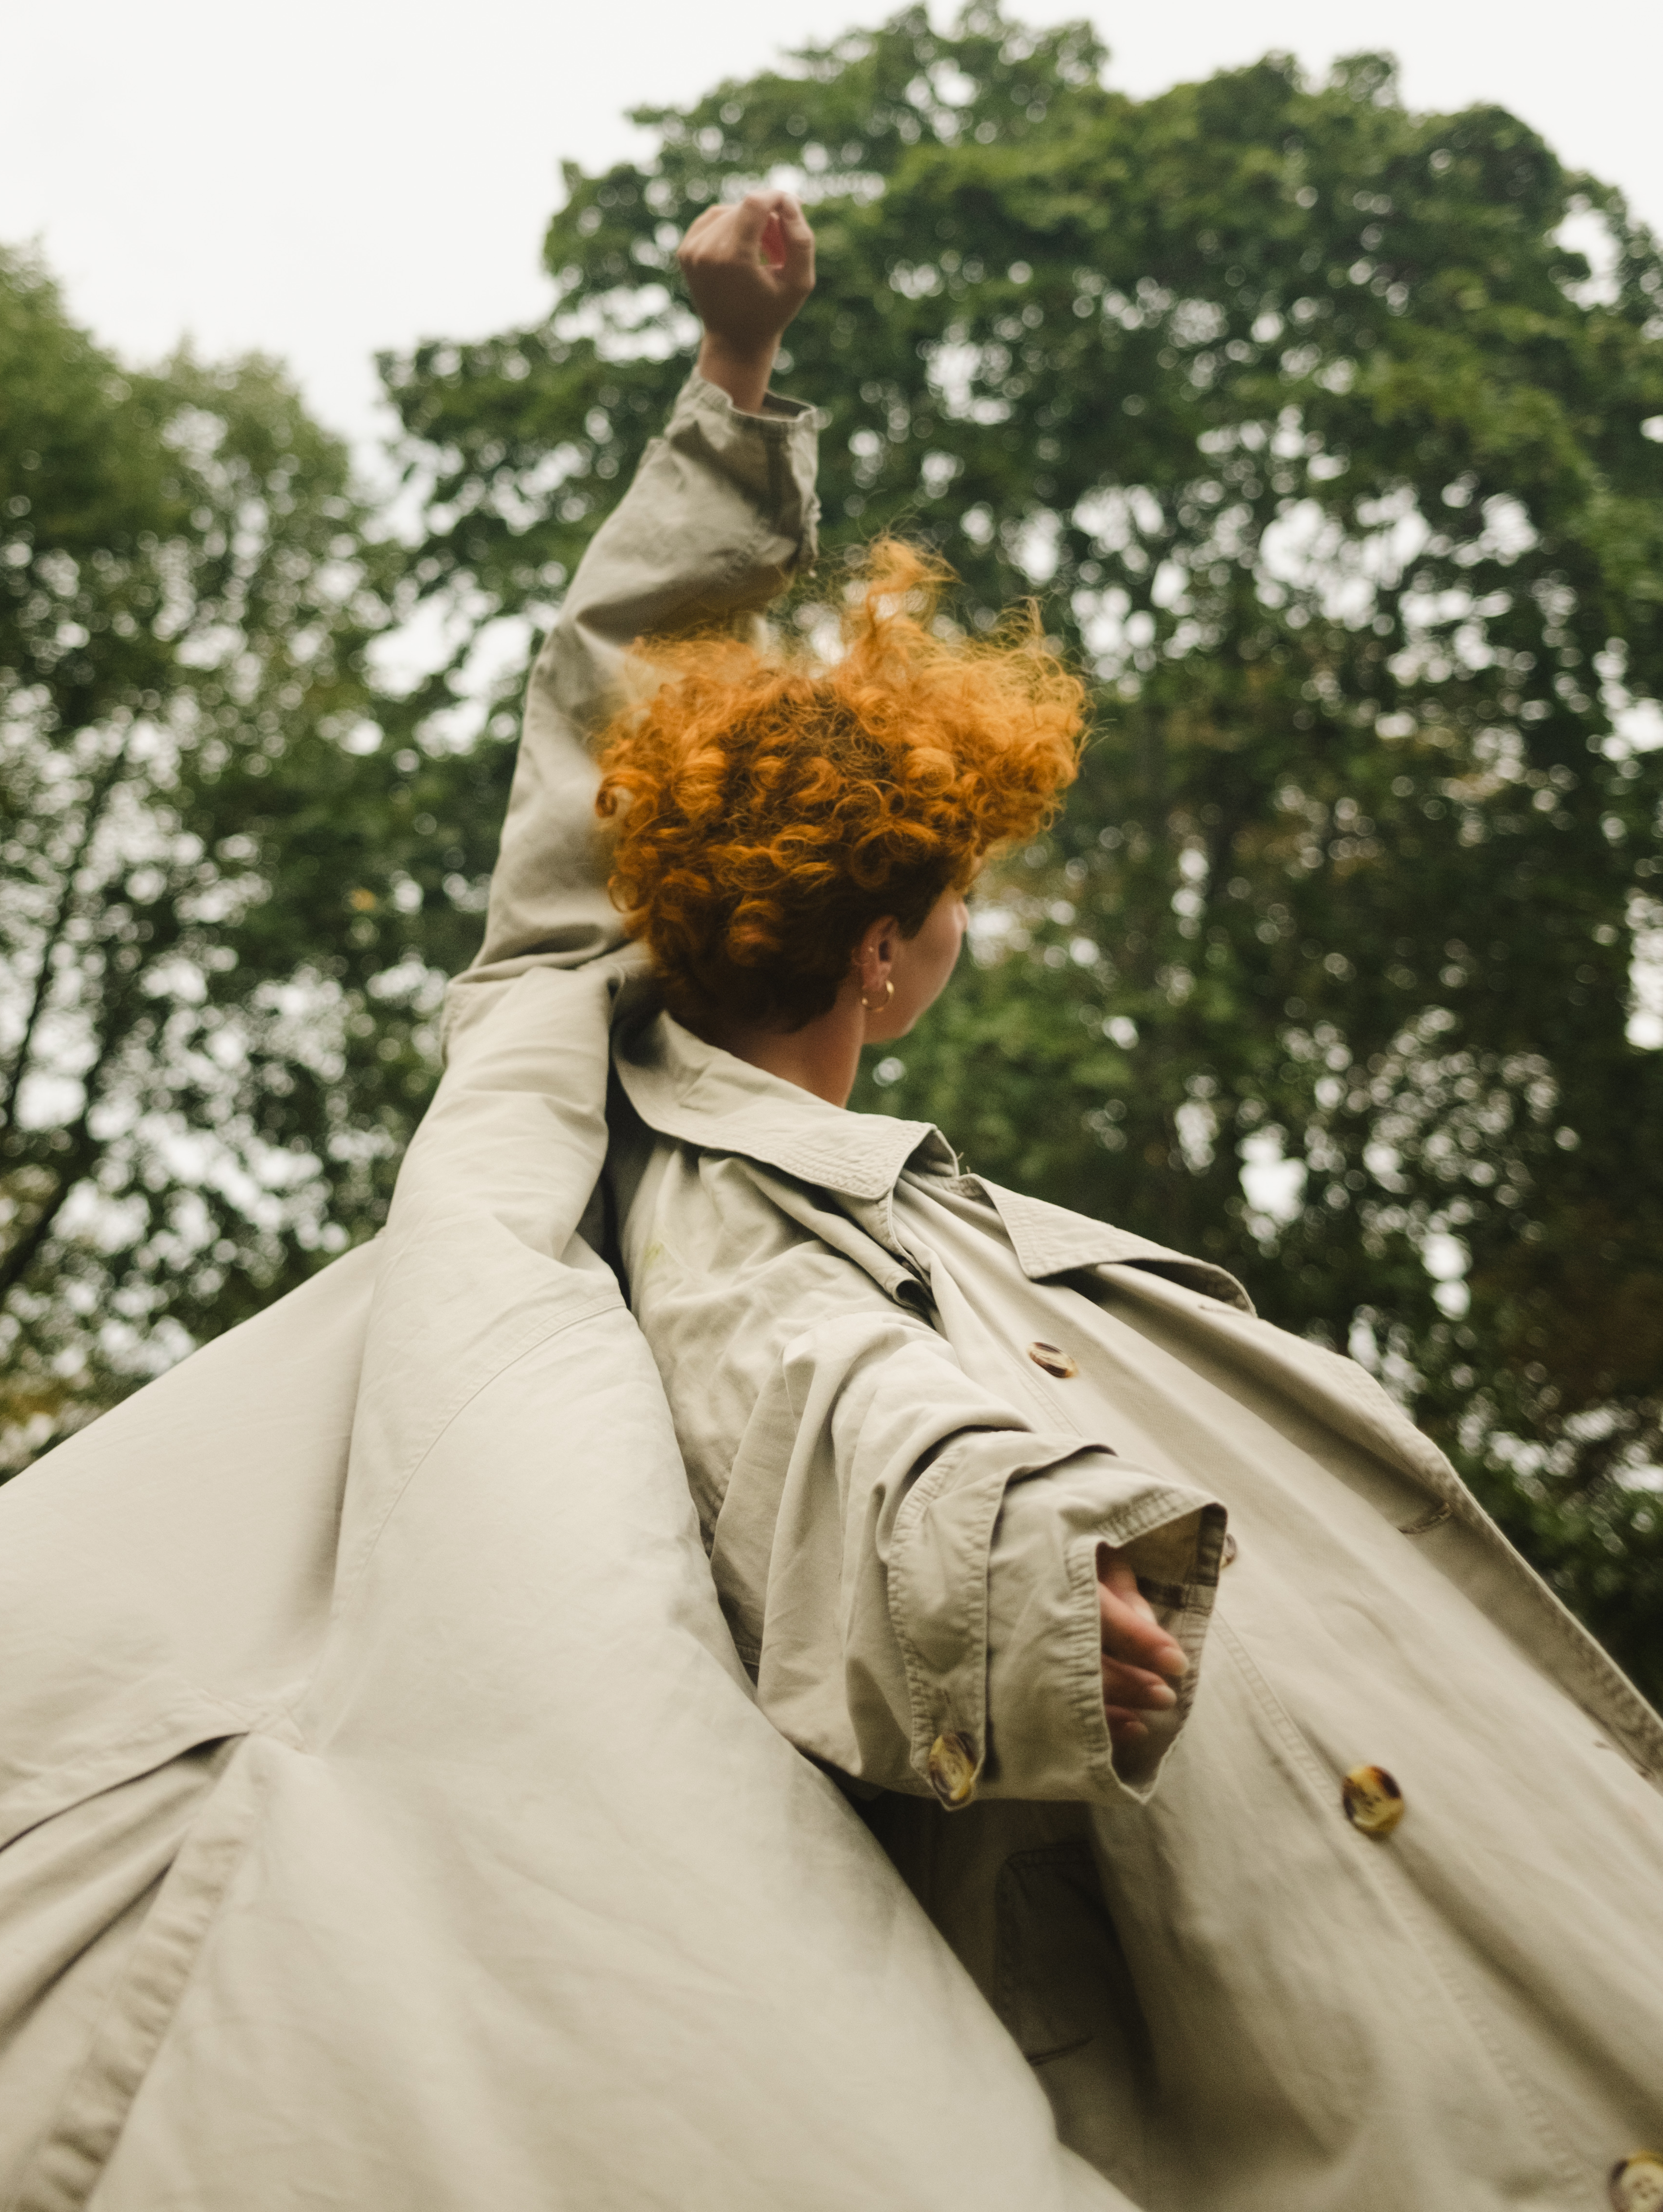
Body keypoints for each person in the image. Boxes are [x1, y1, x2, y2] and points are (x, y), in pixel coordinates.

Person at [461, 188, 1663, 2208]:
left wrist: (736, 373)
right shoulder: (718, 1190)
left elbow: (605, 695)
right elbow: (808, 1388)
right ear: (882, 955)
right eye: (955, 897)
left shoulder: (591, 1004)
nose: (965, 927)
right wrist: (1014, 1576)